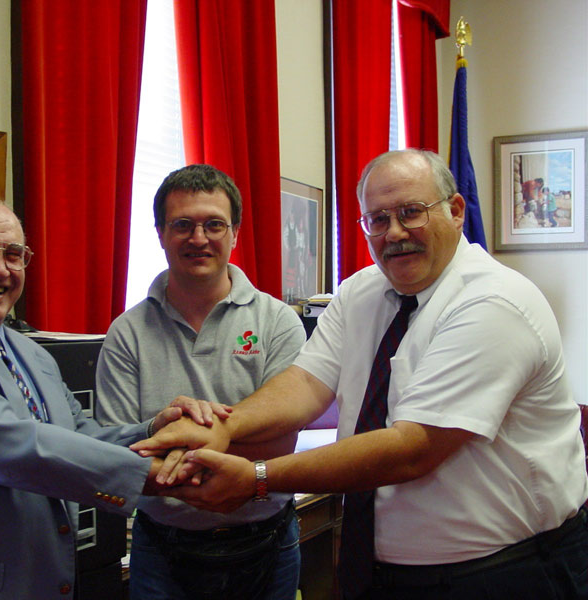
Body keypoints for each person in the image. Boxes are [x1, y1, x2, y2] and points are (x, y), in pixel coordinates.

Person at [135, 150, 588, 599]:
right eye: (377, 219)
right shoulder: (361, 292)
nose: (394, 233)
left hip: (504, 572)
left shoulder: (495, 303)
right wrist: (224, 426)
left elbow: (413, 448)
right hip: (379, 567)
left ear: (454, 211)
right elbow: (305, 384)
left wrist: (257, 478)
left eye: (411, 213)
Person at [0, 197, 223, 599]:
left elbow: (80, 434)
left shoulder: (29, 352)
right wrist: (157, 478)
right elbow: (9, 444)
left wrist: (156, 431)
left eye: (14, 255)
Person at [95, 164, 306, 600]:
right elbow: (114, 450)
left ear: (235, 234)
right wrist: (227, 456)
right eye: (183, 225)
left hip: (268, 543)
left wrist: (175, 449)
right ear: (160, 233)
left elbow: (282, 441)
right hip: (163, 552)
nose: (198, 238)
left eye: (214, 224)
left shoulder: (278, 322)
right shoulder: (126, 333)